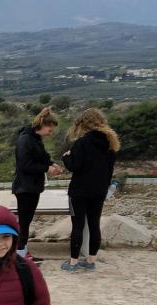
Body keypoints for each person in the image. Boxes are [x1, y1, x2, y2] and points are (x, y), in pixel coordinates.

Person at [61, 108, 120, 272]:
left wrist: (66, 157)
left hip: (79, 192)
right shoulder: (110, 143)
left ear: (84, 124)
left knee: (77, 226)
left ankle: (73, 263)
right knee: (94, 225)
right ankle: (91, 261)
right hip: (99, 191)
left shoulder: (82, 143)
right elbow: (110, 170)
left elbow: (74, 166)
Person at [12, 107, 63, 262]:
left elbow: (42, 157)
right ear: (42, 125)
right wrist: (46, 169)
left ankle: (23, 253)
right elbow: (24, 165)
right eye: (50, 129)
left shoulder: (35, 138)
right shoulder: (25, 139)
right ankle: (20, 256)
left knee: (26, 223)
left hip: (32, 187)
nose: (50, 133)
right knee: (24, 224)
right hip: (25, 188)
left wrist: (52, 164)